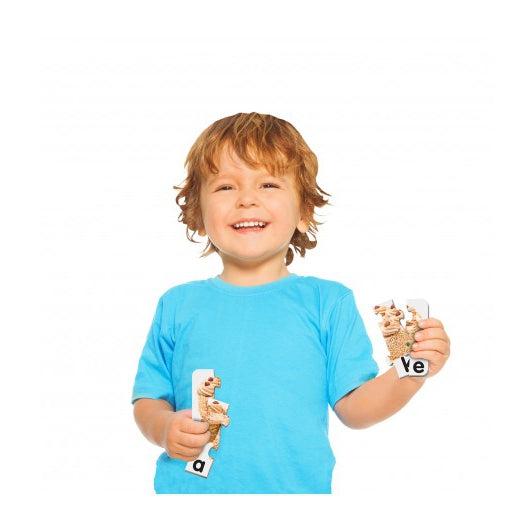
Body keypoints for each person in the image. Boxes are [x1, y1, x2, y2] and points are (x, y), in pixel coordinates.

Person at [131, 112, 451, 494]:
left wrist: (410, 372)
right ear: (198, 215)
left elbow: (355, 408)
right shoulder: (177, 304)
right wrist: (164, 428)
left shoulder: (328, 302)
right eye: (225, 188)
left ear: (304, 212)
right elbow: (148, 399)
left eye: (268, 184)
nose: (247, 199)